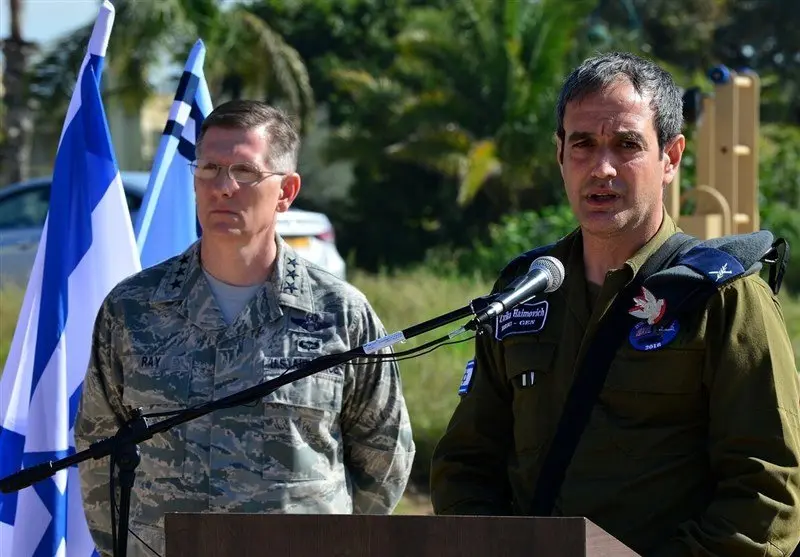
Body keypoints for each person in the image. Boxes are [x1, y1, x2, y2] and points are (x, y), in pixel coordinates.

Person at [429, 51, 800, 556]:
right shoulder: (524, 291)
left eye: (627, 145)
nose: (602, 168)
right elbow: (466, 463)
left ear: (671, 158)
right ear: (560, 154)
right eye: (583, 144)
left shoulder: (724, 298)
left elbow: (767, 493)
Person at [76, 100, 415, 557]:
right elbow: (98, 448)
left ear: (286, 191)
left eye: (244, 171)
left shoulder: (340, 313)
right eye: (209, 168)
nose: (223, 187)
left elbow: (384, 452)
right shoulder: (133, 308)